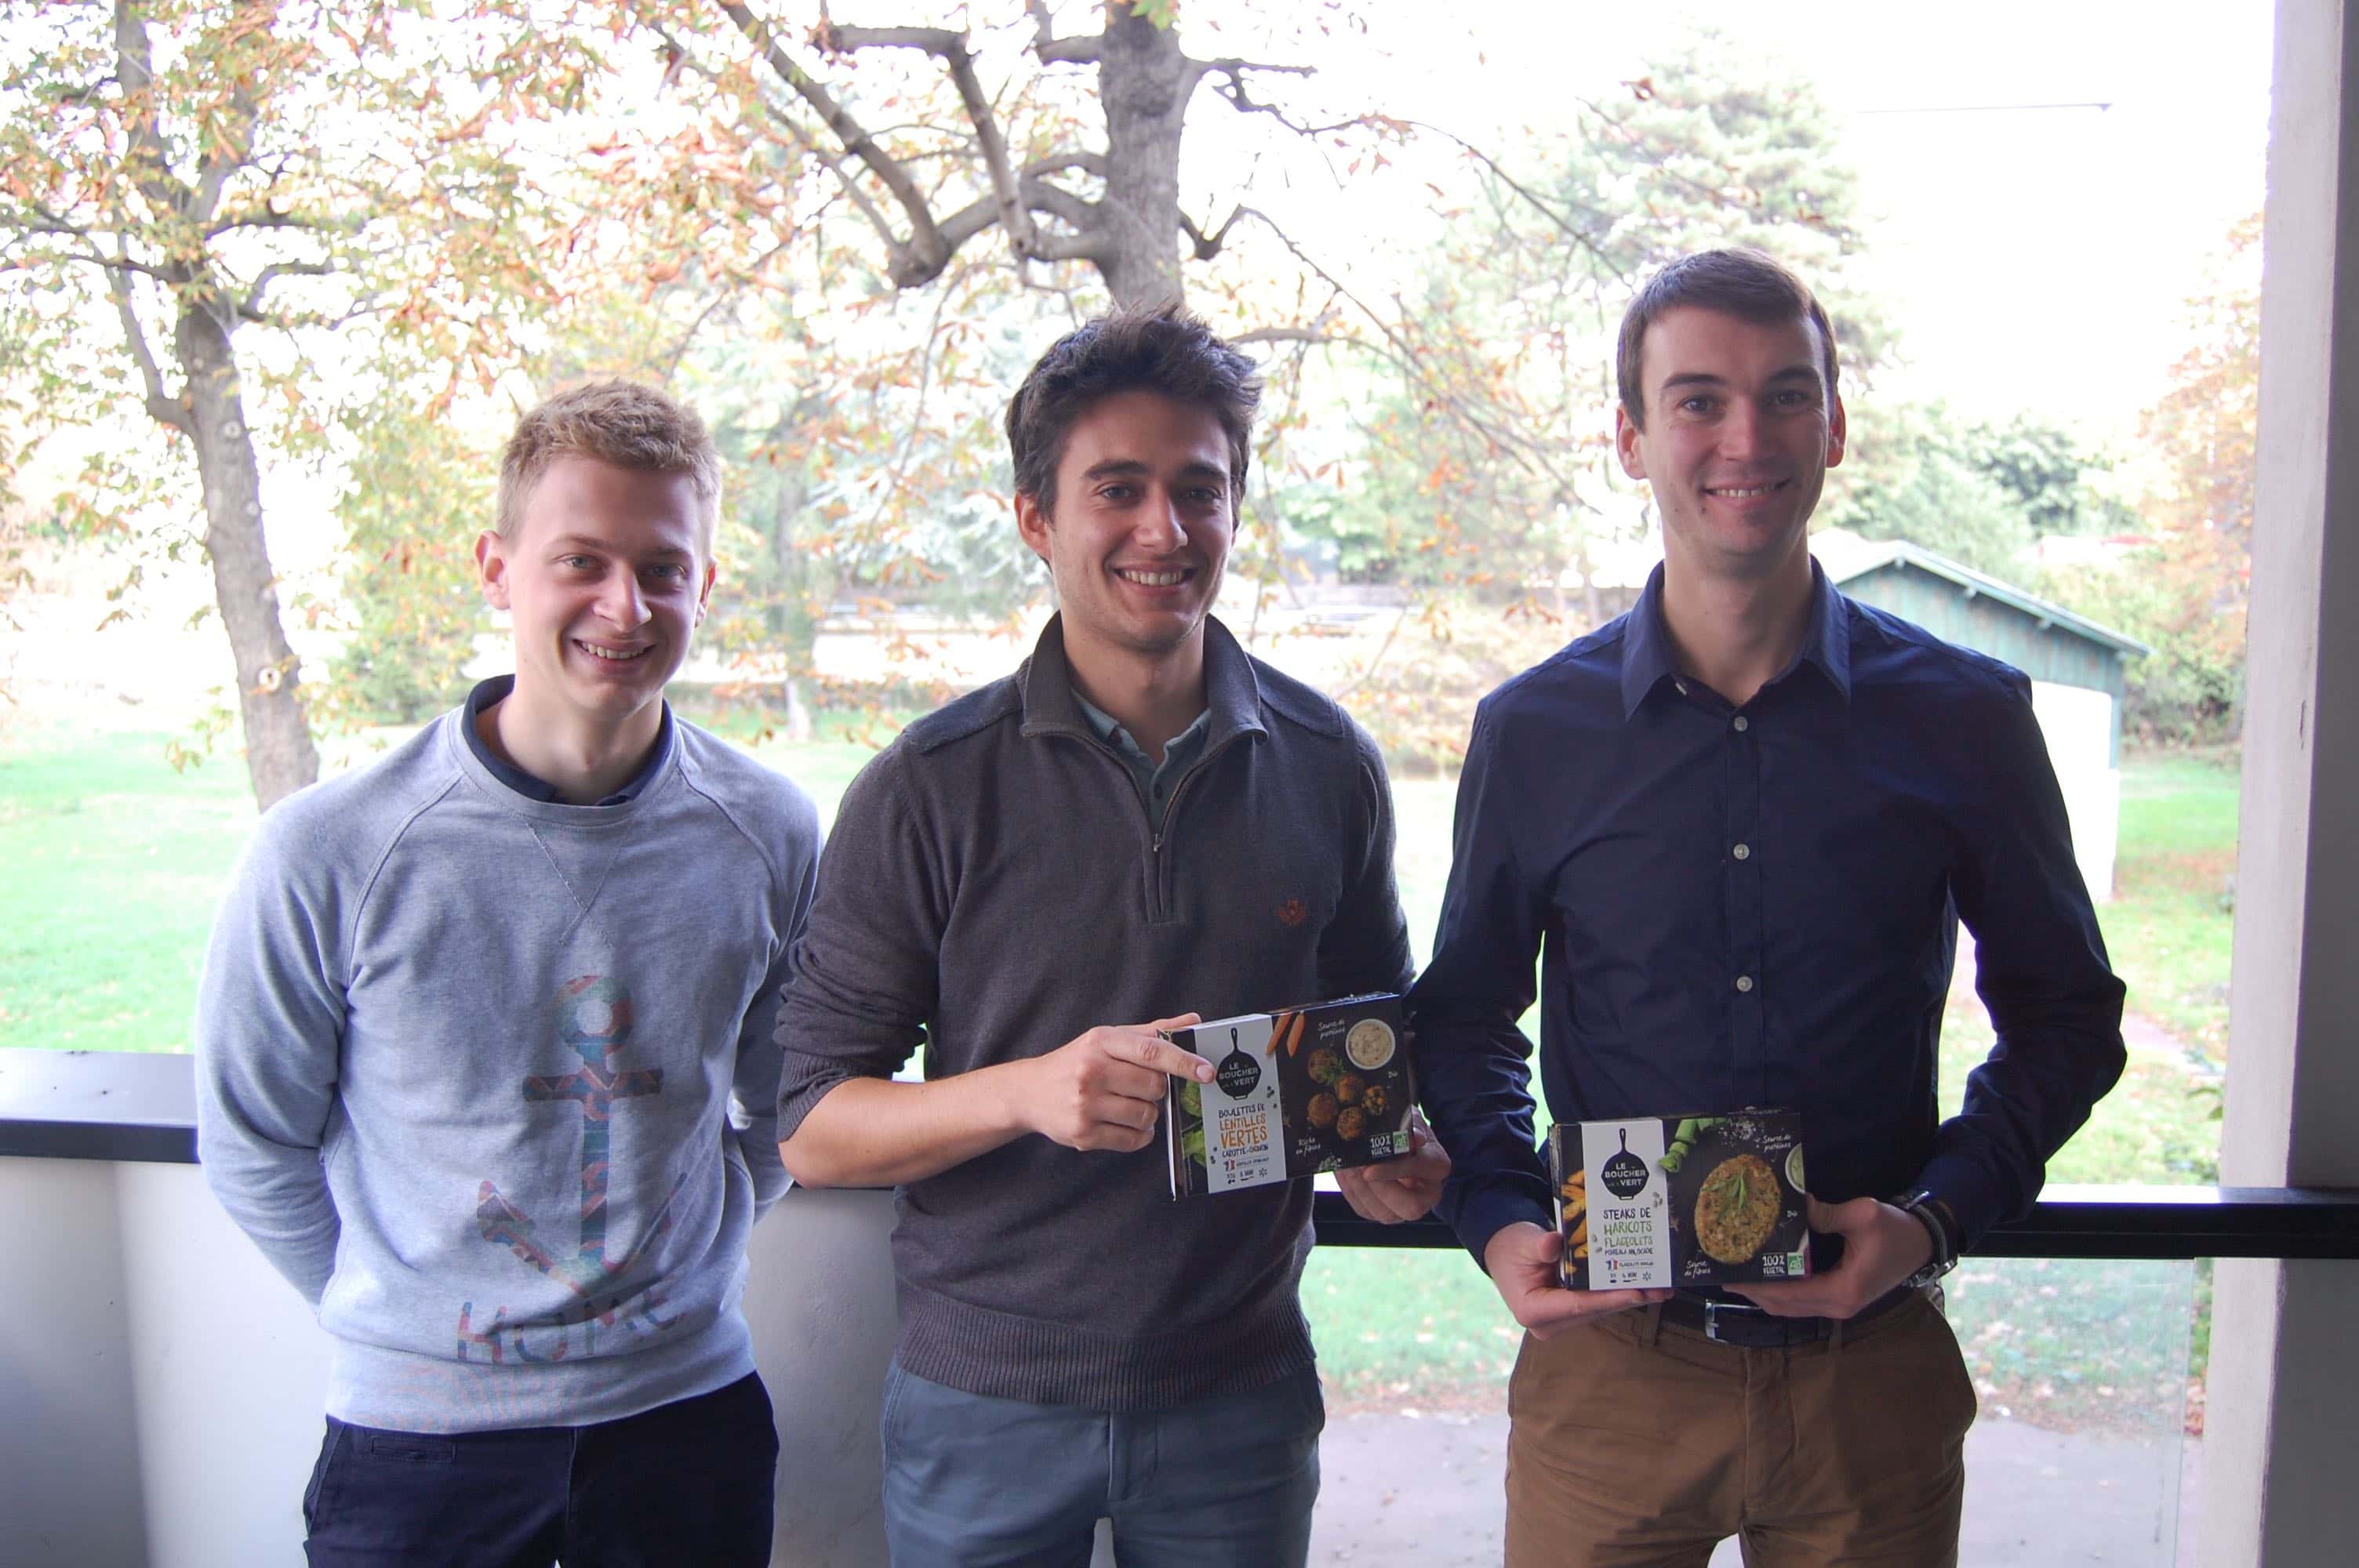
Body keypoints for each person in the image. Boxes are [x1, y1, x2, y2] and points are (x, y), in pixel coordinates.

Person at [1406, 248, 2127, 1566]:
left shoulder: (1965, 719)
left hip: (1873, 1384)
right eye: (1698, 400)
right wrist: (1501, 1219)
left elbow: (2071, 1017)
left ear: (1834, 426)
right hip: (1616, 1383)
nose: (1746, 436)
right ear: (1631, 438)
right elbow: (1461, 1023)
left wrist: (1934, 1218)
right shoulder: (1537, 732)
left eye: (1787, 395)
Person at [771, 307, 1441, 1567]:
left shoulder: (1329, 766)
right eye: (1116, 490)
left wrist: (1389, 1145)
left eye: (1201, 490)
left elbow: (1373, 1038)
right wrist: (1028, 1092)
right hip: (982, 1403)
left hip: (1239, 1396)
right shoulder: (927, 788)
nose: (1164, 531)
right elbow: (810, 1124)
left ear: (1239, 505)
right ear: (1037, 518)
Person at [195, 381, 819, 1567]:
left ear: (707, 584)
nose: (624, 606)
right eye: (580, 560)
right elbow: (249, 1138)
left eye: (663, 567)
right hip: (418, 1448)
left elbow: (792, 1104)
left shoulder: (772, 834)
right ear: (497, 567)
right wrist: (409, 1313)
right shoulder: (331, 852)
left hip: (687, 1423)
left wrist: (723, 1222)